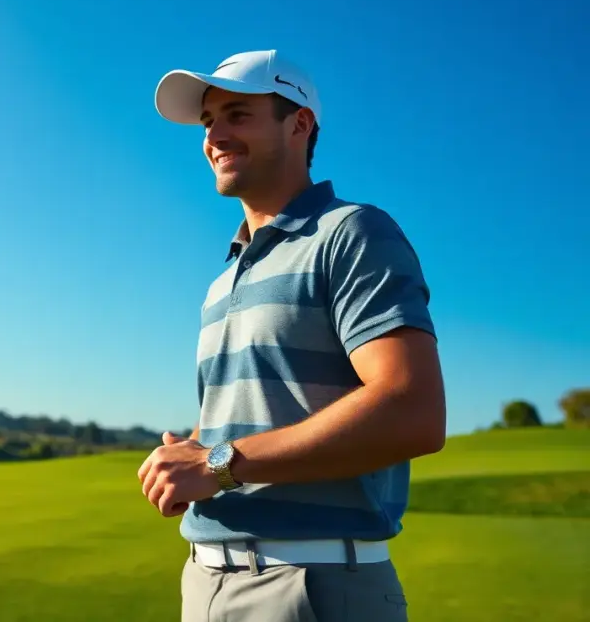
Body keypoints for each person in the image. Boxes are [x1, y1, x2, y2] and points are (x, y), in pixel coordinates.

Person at [137, 50, 446, 621]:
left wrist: (217, 463)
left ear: (299, 123)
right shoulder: (221, 281)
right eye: (209, 122)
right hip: (203, 580)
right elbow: (245, 420)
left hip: (310, 583)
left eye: (237, 115)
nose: (216, 135)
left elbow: (413, 409)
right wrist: (194, 451)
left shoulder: (351, 232)